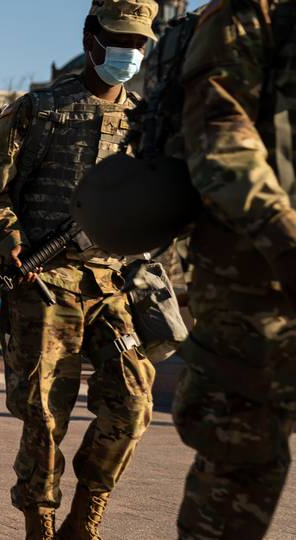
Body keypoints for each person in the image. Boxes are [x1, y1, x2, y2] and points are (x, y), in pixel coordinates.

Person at [0, 2, 158, 537]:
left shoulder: (147, 121)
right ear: (90, 39)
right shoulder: (40, 110)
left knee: (133, 402)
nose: (130, 51)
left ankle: (86, 510)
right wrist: (11, 244)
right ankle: (40, 518)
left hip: (112, 284)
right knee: (45, 414)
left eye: (139, 42)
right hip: (45, 283)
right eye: (120, 40)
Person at [173, 1, 296, 538]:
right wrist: (286, 243)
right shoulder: (252, 12)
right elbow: (219, 137)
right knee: (242, 467)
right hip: (253, 280)